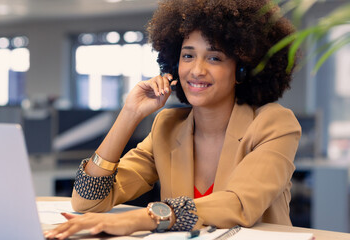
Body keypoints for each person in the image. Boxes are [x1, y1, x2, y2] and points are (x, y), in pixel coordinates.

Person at [45, 0, 301, 239]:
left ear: (242, 69)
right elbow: (88, 200)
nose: (197, 70)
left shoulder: (274, 124)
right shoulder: (168, 126)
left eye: (214, 58)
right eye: (188, 55)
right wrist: (129, 114)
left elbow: (239, 204)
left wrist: (140, 219)